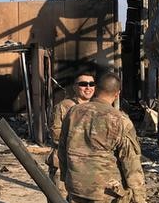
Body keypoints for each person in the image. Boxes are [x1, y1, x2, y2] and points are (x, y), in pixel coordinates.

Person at [58, 73, 146, 203]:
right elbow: (131, 162)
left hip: (76, 187)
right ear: (117, 94)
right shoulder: (120, 120)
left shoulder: (73, 112)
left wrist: (67, 178)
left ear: (97, 89)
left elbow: (62, 149)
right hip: (106, 193)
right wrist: (139, 198)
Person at [47, 73, 96, 200]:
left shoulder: (97, 108)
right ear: (75, 87)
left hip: (89, 166)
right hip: (64, 163)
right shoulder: (64, 107)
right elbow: (55, 133)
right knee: (58, 198)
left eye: (91, 84)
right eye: (83, 84)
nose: (88, 87)